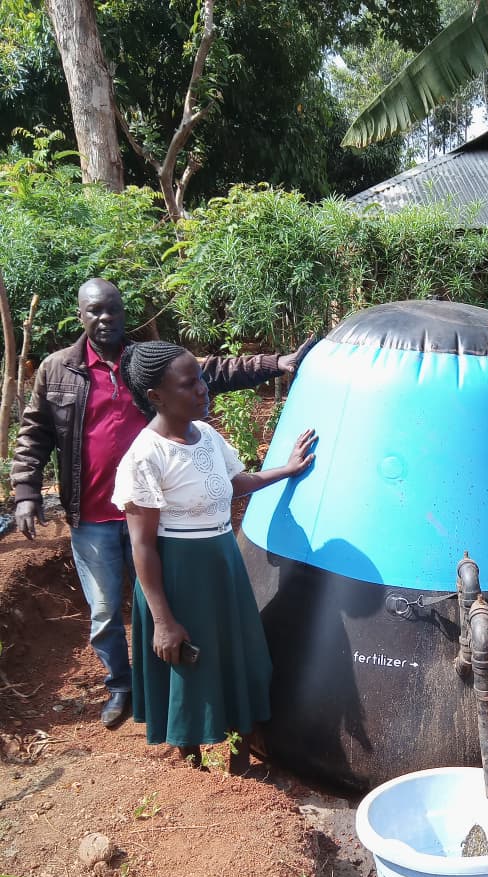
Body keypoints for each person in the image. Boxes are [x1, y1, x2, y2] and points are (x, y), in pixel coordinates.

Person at [11, 278, 313, 728]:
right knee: (106, 610)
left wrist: (278, 363)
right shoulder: (58, 370)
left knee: (166, 606)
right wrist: (25, 492)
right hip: (94, 513)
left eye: (112, 309)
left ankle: (173, 698)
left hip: (165, 518)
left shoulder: (145, 364)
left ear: (123, 312)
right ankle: (121, 686)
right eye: (94, 311)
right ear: (81, 316)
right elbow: (34, 434)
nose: (105, 318)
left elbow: (214, 371)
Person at [112, 340, 316, 774]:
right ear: (156, 396)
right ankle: (195, 773)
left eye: (202, 378)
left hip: (223, 568)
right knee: (191, 667)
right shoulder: (145, 457)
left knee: (235, 661)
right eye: (189, 384)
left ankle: (239, 766)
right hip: (181, 577)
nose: (203, 390)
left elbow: (235, 483)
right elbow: (143, 545)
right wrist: (163, 620)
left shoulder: (205, 435)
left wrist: (287, 468)